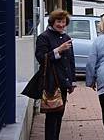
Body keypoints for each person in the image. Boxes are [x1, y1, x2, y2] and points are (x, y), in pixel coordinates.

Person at [35, 9, 76, 140]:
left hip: (63, 83)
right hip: (51, 83)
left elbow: (70, 61)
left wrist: (72, 82)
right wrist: (58, 50)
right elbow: (41, 58)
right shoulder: (44, 37)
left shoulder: (66, 37)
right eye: (59, 21)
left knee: (59, 115)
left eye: (64, 22)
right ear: (52, 22)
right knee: (52, 116)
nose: (61, 25)